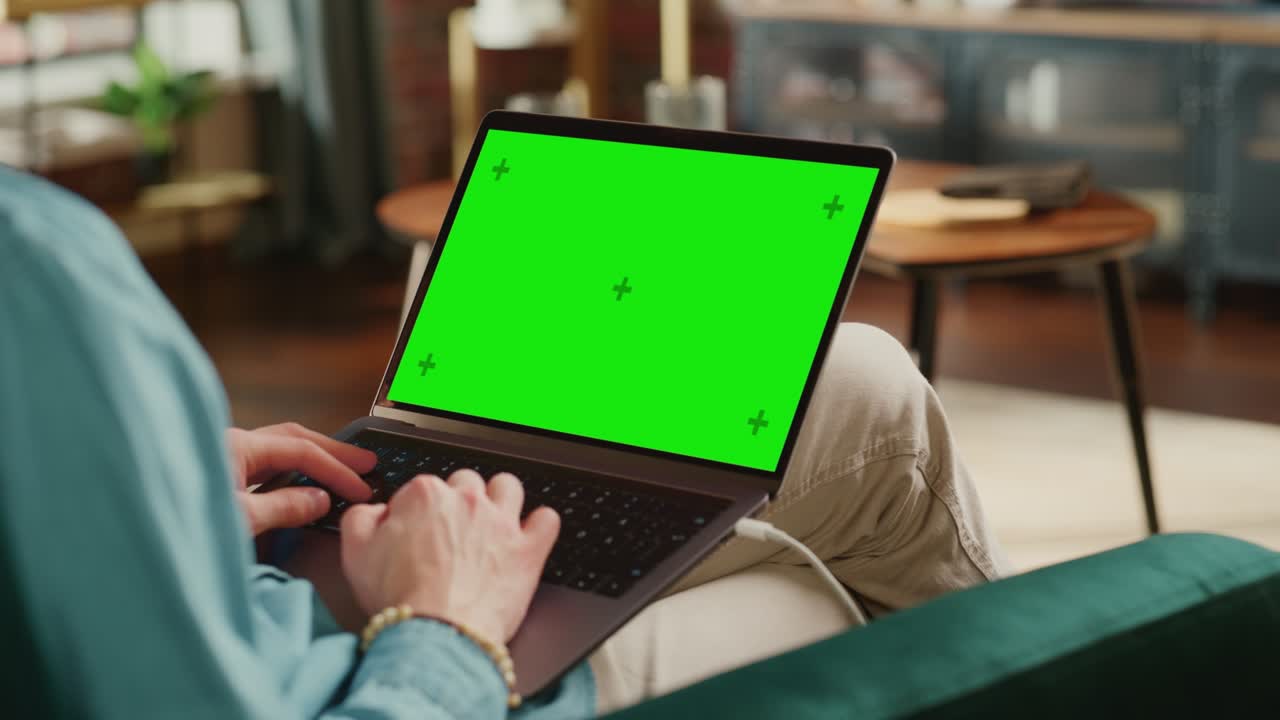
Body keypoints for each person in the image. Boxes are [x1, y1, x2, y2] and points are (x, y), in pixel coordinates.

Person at [0, 166, 1009, 719]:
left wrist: (159, 520)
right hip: (398, 679)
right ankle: (1049, 668)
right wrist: (447, 625)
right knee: (807, 592)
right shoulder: (33, 262)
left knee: (862, 381)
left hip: (263, 597)